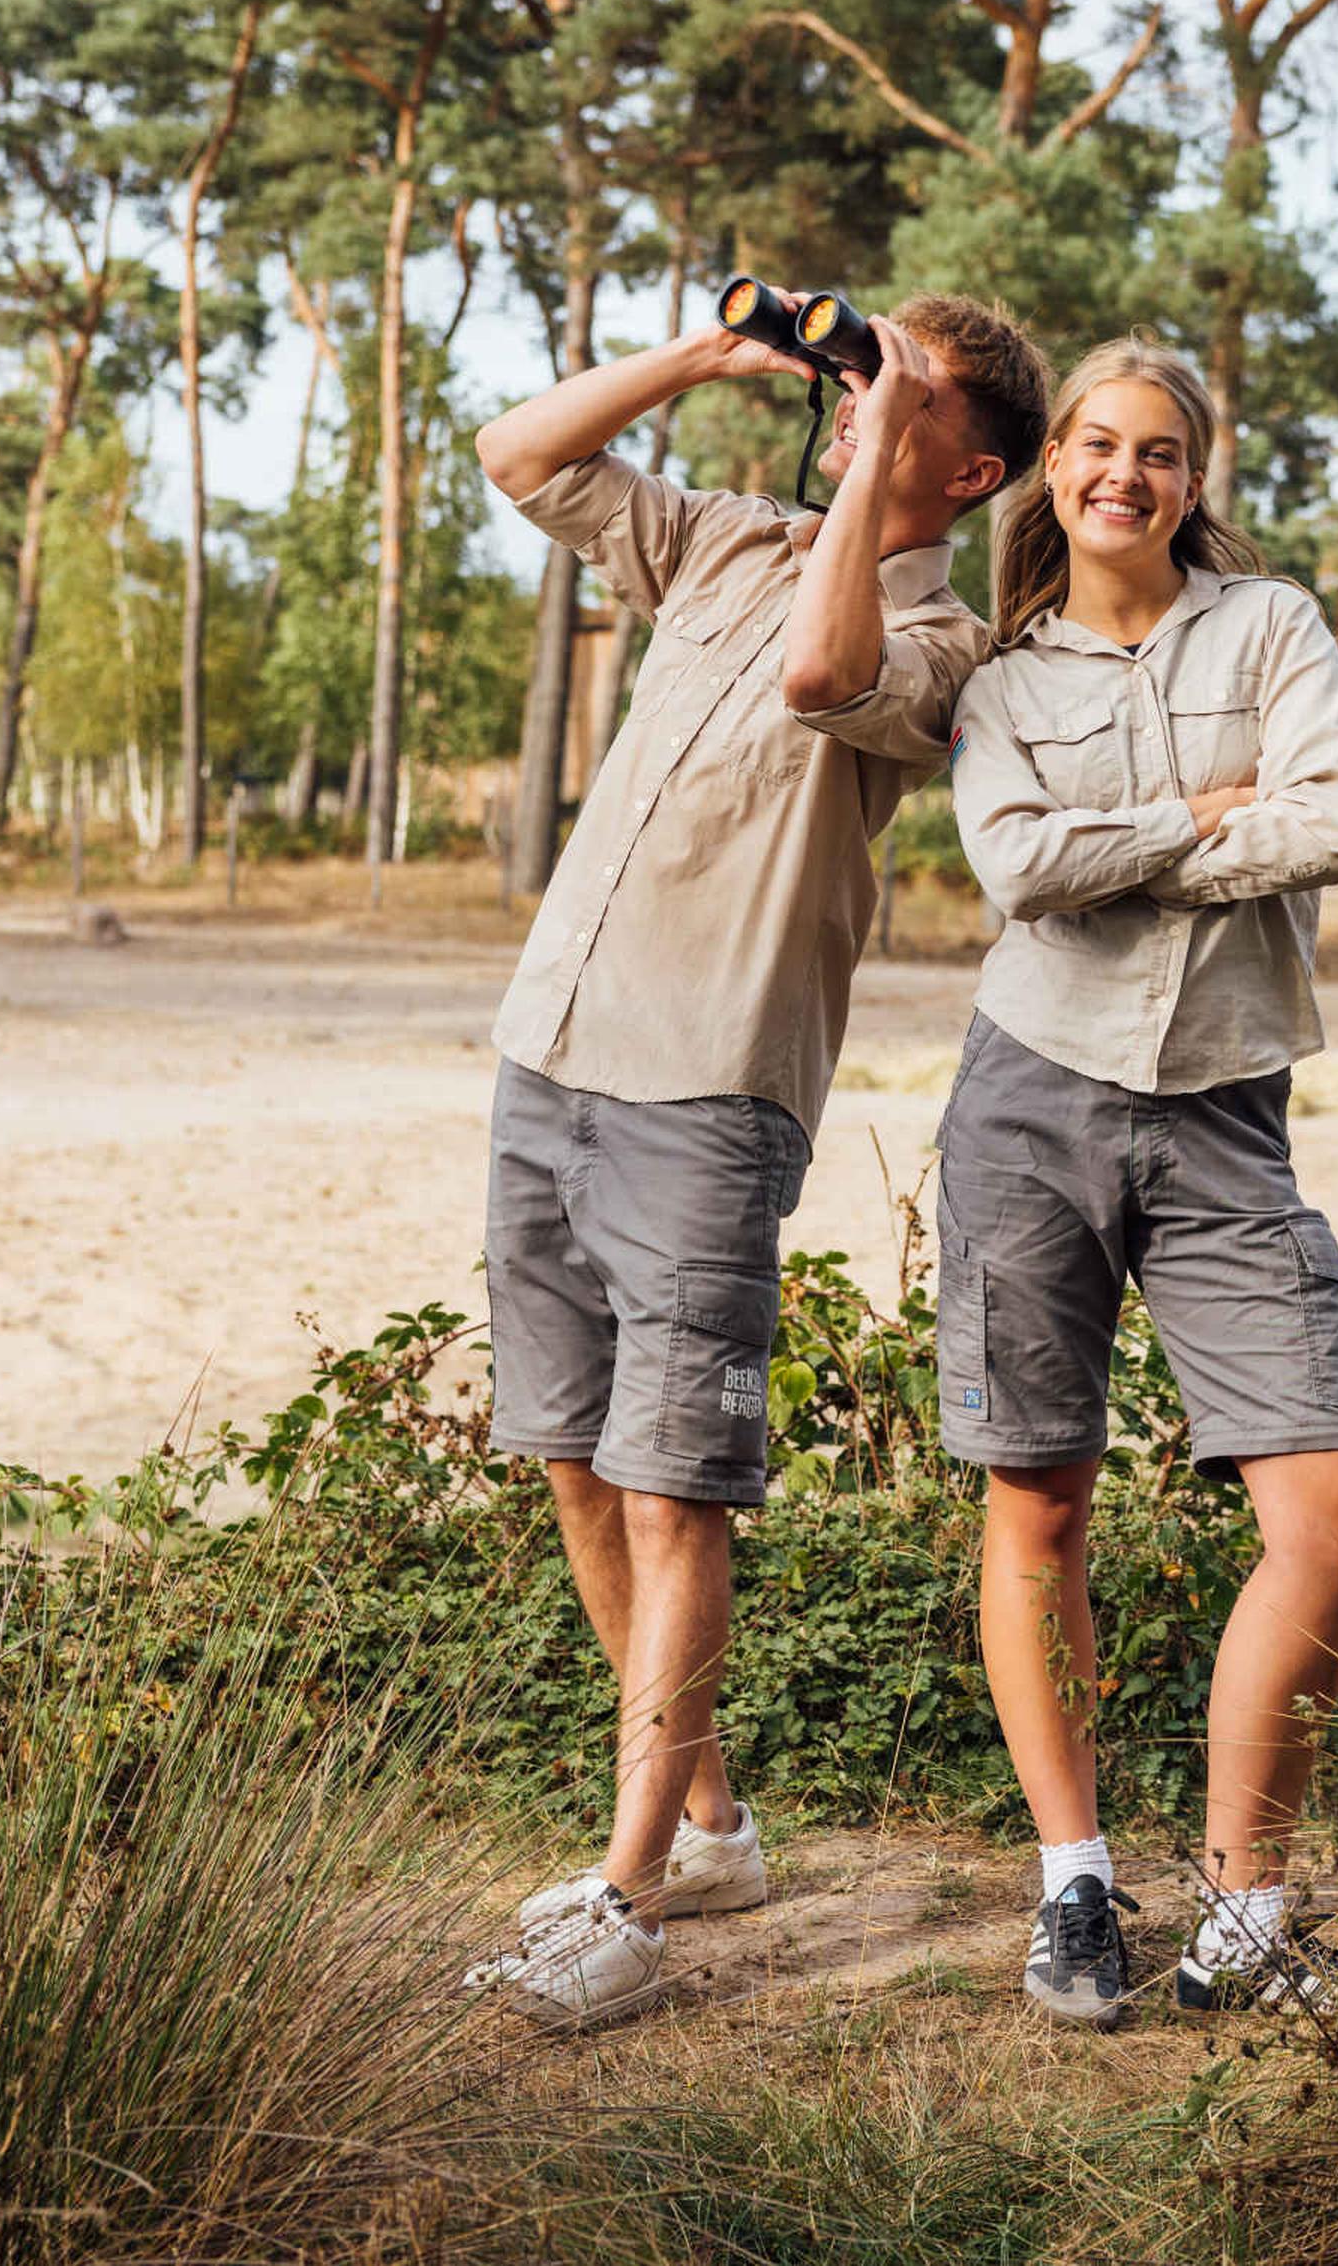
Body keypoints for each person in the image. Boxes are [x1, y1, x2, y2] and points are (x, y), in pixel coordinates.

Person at [465, 289, 1053, 2029]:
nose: (868, 397)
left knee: (673, 1486)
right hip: (554, 1042)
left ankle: (627, 1894)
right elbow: (518, 453)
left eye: (915, 394)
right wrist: (719, 359)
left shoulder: (949, 644)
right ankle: (713, 1825)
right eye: (875, 372)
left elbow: (821, 671)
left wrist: (869, 466)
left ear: (979, 466)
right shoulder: (731, 539)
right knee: (573, 1461)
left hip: (712, 1082)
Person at [933, 336, 1338, 2029]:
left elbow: (1334, 821)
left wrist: (1128, 836)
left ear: (1195, 479)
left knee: (1335, 1513)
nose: (1125, 473)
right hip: (1027, 1104)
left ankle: (1242, 1910)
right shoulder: (1000, 683)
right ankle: (1072, 1887)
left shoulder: (1270, 628)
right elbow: (1016, 868)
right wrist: (1200, 815)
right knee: (1037, 1506)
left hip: (1222, 1116)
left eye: (1161, 452)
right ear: (1053, 468)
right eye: (1096, 445)